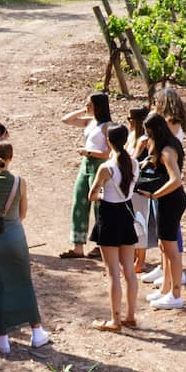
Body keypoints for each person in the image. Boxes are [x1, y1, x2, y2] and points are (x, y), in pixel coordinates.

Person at [0, 142, 51, 356]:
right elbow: (23, 213)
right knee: (24, 282)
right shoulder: (20, 182)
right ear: (11, 157)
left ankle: (3, 338)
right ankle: (36, 333)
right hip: (15, 237)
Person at [88, 125, 142, 331]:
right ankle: (130, 316)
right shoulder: (135, 164)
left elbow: (92, 195)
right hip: (126, 214)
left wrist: (103, 195)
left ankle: (115, 320)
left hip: (109, 216)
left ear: (109, 142)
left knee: (112, 272)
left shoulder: (107, 168)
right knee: (129, 269)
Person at [139, 112, 186, 310]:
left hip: (171, 200)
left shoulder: (167, 150)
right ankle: (166, 289)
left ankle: (176, 294)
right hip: (166, 200)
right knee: (163, 246)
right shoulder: (167, 146)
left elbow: (176, 180)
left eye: (149, 133)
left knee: (171, 250)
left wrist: (154, 195)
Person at [60, 90, 113, 258]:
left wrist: (90, 152)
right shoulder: (92, 122)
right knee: (79, 201)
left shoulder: (107, 126)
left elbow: (109, 153)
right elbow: (66, 120)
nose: (87, 106)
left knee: (100, 205)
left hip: (99, 165)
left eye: (89, 104)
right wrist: (84, 111)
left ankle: (101, 244)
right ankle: (78, 245)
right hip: (86, 164)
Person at [126, 104, 154, 279]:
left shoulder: (144, 141)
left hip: (140, 186)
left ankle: (140, 261)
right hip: (130, 186)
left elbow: (134, 163)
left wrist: (135, 152)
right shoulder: (132, 137)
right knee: (133, 221)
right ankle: (135, 257)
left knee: (140, 220)